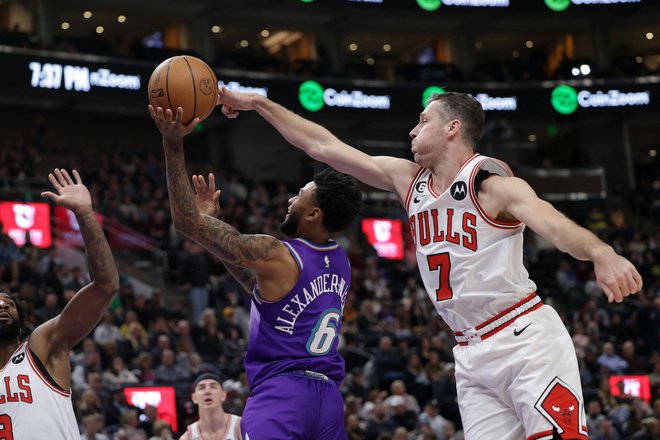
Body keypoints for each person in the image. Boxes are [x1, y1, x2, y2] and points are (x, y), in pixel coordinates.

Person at [216, 89, 644, 439]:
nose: (412, 128)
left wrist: (602, 253)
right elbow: (323, 146)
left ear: (452, 128)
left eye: (423, 120)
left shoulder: (493, 186)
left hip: (523, 338)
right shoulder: (409, 182)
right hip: (470, 353)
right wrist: (260, 103)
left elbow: (554, 225)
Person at [148, 105, 363, 439]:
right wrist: (216, 231)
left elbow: (185, 222)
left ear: (313, 215)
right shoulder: (341, 262)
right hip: (329, 402)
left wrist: (172, 144)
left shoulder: (279, 254)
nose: (292, 200)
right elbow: (258, 287)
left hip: (283, 395)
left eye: (301, 197)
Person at [0, 168, 119, 439]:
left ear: (21, 317)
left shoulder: (40, 347)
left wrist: (85, 215)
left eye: (9, 303)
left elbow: (105, 286)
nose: (3, 306)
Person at [179, 373, 241, 440]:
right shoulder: (187, 437)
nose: (207, 391)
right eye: (202, 388)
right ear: (194, 398)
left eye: (213, 387)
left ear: (223, 395)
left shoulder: (240, 426)